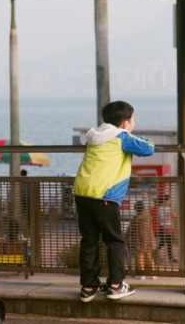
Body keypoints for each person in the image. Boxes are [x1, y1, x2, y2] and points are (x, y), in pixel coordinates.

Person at [74, 100, 155, 302]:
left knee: (89, 241)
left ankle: (89, 287)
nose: (134, 123)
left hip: (82, 192)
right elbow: (148, 149)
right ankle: (116, 285)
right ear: (125, 123)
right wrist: (138, 137)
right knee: (115, 241)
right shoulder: (122, 138)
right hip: (105, 196)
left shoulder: (93, 136)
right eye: (133, 119)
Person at [124, 201, 157, 280]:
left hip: (139, 241)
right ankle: (153, 274)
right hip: (149, 240)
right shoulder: (148, 216)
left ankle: (142, 274)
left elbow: (130, 229)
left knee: (140, 257)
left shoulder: (136, 219)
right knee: (149, 256)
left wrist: (125, 237)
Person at [156, 194, 177, 263]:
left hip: (170, 227)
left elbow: (174, 215)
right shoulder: (160, 209)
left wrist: (173, 214)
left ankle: (170, 257)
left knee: (167, 242)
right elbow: (162, 218)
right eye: (169, 200)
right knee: (165, 242)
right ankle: (155, 251)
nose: (170, 201)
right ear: (165, 201)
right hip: (164, 228)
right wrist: (170, 215)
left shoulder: (169, 208)